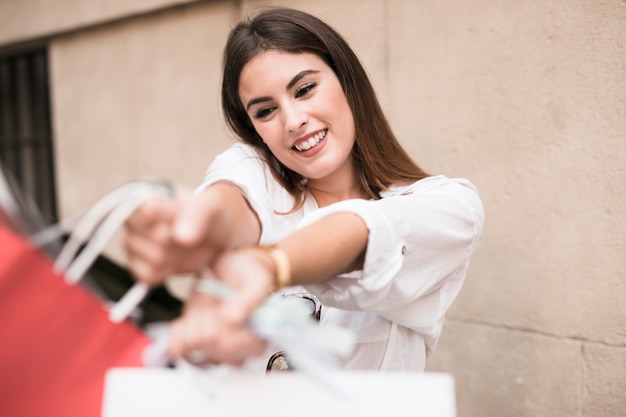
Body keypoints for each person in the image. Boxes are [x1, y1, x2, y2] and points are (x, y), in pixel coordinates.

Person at [124, 6, 484, 372]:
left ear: (346, 81)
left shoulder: (449, 207)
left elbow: (370, 230)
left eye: (305, 89)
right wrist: (206, 224)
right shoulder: (259, 176)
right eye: (265, 111)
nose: (293, 121)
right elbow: (233, 195)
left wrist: (270, 265)